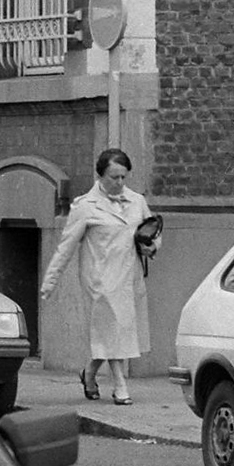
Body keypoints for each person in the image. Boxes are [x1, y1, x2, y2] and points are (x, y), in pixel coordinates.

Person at [44, 146, 150, 406]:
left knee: (116, 331)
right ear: (101, 177)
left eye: (124, 177)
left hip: (128, 276)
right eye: (114, 177)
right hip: (99, 278)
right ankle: (120, 385)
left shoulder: (137, 201)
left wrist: (151, 245)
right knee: (112, 330)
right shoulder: (85, 206)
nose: (120, 183)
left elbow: (151, 231)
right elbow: (66, 246)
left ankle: (89, 373)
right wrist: (50, 281)